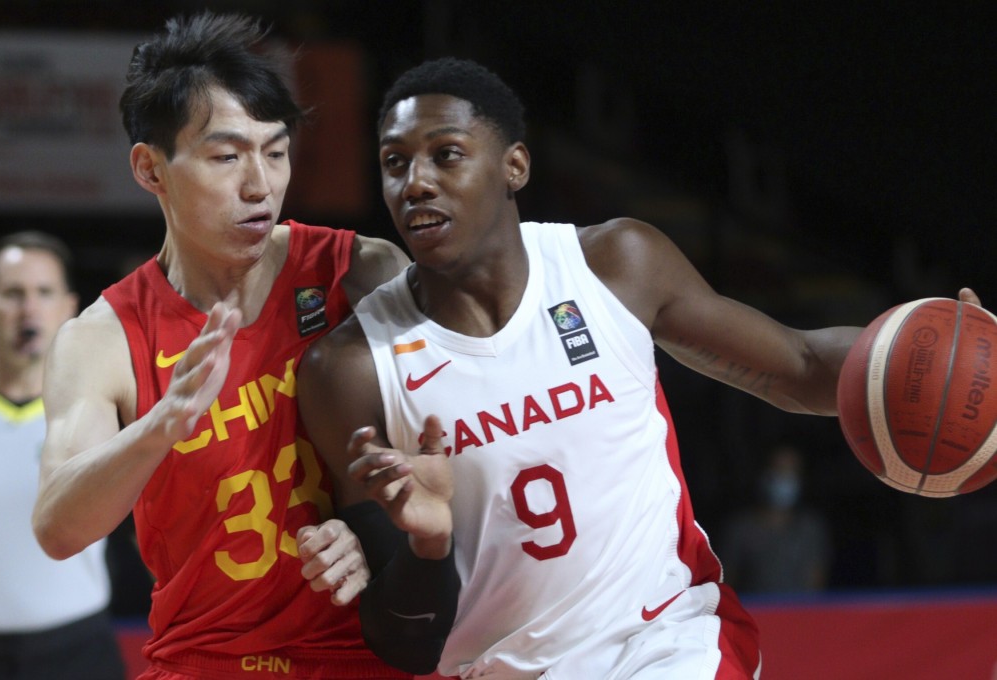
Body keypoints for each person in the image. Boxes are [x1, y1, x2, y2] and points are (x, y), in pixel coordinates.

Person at [296, 56, 983, 679]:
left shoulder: (612, 265)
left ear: (514, 167)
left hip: (663, 643)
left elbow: (798, 365)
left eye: (446, 155)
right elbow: (403, 644)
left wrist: (938, 355)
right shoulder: (351, 368)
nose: (415, 182)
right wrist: (428, 543)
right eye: (393, 162)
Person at [31, 12, 412, 680]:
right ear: (150, 170)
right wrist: (160, 427)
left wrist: (376, 531)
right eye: (227, 156)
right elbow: (58, 529)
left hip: (367, 655)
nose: (260, 185)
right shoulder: (102, 338)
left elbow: (469, 442)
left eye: (276, 150)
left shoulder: (362, 272)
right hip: (206, 663)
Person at [0, 231, 125, 680]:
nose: (29, 310)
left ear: (68, 308)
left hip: (78, 654)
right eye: (13, 293)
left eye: (44, 293)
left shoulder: (100, 408)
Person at [719, 443, 833, 594]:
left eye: (791, 472)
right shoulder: (741, 527)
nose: (785, 478)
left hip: (799, 613)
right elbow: (727, 582)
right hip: (754, 613)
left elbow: (816, 584)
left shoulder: (810, 528)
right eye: (779, 471)